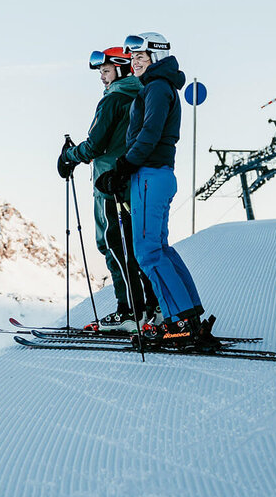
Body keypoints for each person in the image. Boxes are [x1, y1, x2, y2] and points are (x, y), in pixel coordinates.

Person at [96, 32, 215, 347]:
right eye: (133, 58)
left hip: (150, 175)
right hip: (153, 174)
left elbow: (150, 132)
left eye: (141, 57)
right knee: (160, 249)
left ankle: (180, 323)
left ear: (156, 58)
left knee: (147, 252)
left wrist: (123, 166)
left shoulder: (158, 87)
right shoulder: (156, 86)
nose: (135, 62)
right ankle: (189, 317)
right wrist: (125, 169)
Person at [57, 47, 159, 332]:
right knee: (134, 246)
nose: (102, 77)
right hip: (133, 181)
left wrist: (68, 156)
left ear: (121, 69)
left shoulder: (113, 99)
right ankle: (152, 307)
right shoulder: (141, 95)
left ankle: (128, 311)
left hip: (108, 184)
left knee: (112, 244)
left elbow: (95, 146)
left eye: (105, 71)